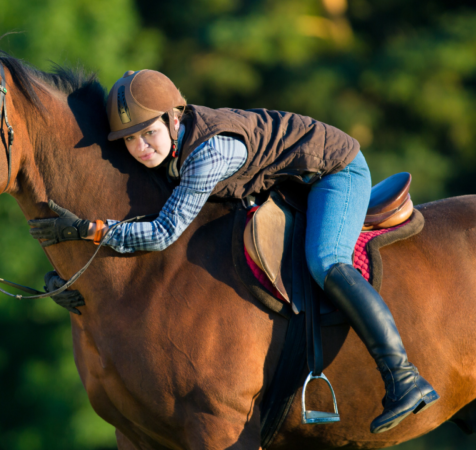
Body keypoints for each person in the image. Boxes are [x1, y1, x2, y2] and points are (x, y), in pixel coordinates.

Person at [28, 69, 439, 433]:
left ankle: (404, 377)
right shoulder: (169, 149)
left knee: (326, 260)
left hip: (334, 170)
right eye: (130, 140)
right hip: (287, 174)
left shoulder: (209, 153)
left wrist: (92, 231)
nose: (140, 148)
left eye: (148, 133)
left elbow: (163, 232)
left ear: (175, 118)